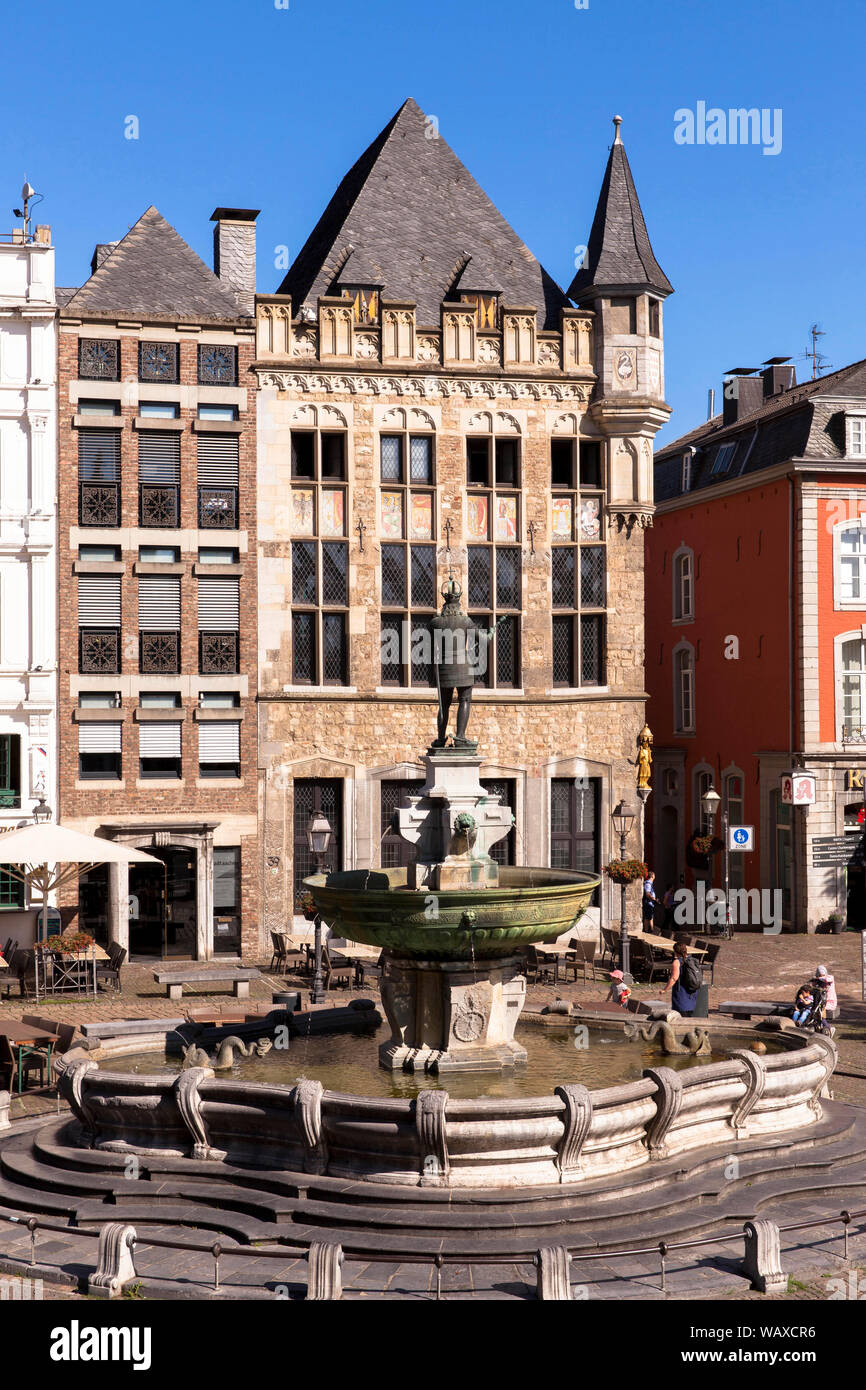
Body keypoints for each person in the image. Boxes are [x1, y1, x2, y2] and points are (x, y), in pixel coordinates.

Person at [663, 940, 700, 1017]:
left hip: (681, 994)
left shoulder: (677, 962)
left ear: (675, 952)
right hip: (691, 992)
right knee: (689, 1016)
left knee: (680, 1017)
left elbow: (674, 978)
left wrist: (664, 989)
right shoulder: (691, 960)